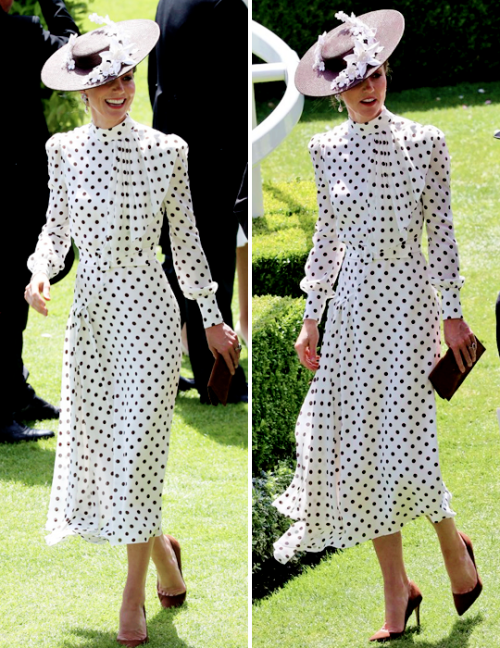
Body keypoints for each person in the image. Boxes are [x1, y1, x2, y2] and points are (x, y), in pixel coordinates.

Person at [24, 15, 241, 647]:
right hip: (90, 318)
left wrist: (213, 318)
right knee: (111, 452)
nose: (119, 87)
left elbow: (189, 243)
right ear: (82, 89)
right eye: (105, 79)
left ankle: (133, 595)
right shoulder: (61, 152)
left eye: (127, 74)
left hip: (149, 312)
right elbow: (54, 228)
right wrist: (38, 273)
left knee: (139, 449)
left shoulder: (169, 151)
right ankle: (167, 559)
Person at [271, 10, 482, 642]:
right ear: (335, 89)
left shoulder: (426, 141)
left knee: (411, 449)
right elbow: (328, 241)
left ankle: (452, 546)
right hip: (354, 313)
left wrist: (452, 313)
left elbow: (441, 238)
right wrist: (311, 318)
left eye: (378, 74)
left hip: (411, 308)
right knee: (357, 454)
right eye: (356, 81)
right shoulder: (324, 148)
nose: (369, 89)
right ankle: (399, 588)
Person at [148, 0, 248, 403]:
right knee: (213, 266)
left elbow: (158, 78)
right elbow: (235, 93)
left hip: (171, 143)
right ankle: (218, 380)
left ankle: (164, 369)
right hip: (213, 156)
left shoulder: (167, 2)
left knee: (176, 264)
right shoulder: (225, 7)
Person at [0, 0, 78, 443]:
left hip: (13, 186)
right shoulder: (23, 32)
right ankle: (2, 408)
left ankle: (15, 392)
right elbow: (78, 52)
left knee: (10, 296)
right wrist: (53, 2)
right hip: (14, 185)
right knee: (6, 299)